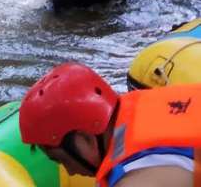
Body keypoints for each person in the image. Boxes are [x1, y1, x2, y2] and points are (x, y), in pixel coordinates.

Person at [19, 62, 201, 187]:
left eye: (63, 160)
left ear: (84, 137)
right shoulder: (142, 104)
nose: (70, 171)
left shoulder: (139, 178)